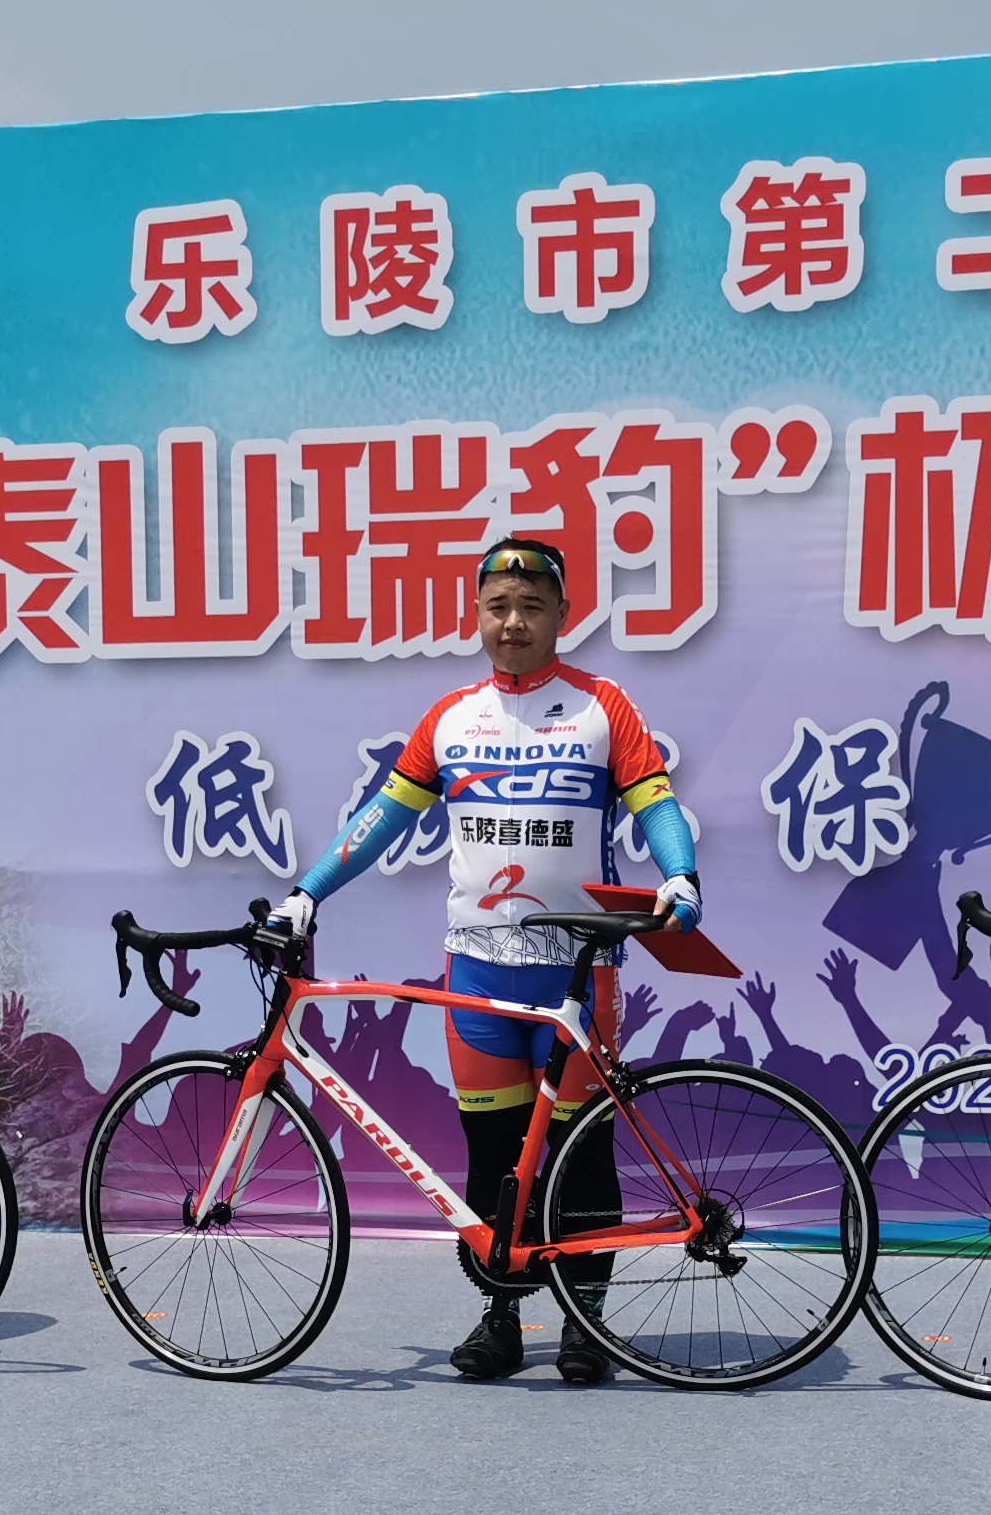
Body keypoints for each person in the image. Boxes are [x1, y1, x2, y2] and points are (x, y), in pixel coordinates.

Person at [266, 536, 700, 1385]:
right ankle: (501, 1315)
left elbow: (656, 802)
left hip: (577, 972)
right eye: (498, 607)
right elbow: (380, 821)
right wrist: (308, 893)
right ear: (477, 615)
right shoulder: (451, 719)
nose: (513, 623)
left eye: (532, 607)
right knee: (492, 1152)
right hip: (478, 974)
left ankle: (586, 1323)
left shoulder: (603, 706)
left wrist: (679, 874)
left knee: (581, 1152)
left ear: (563, 615)